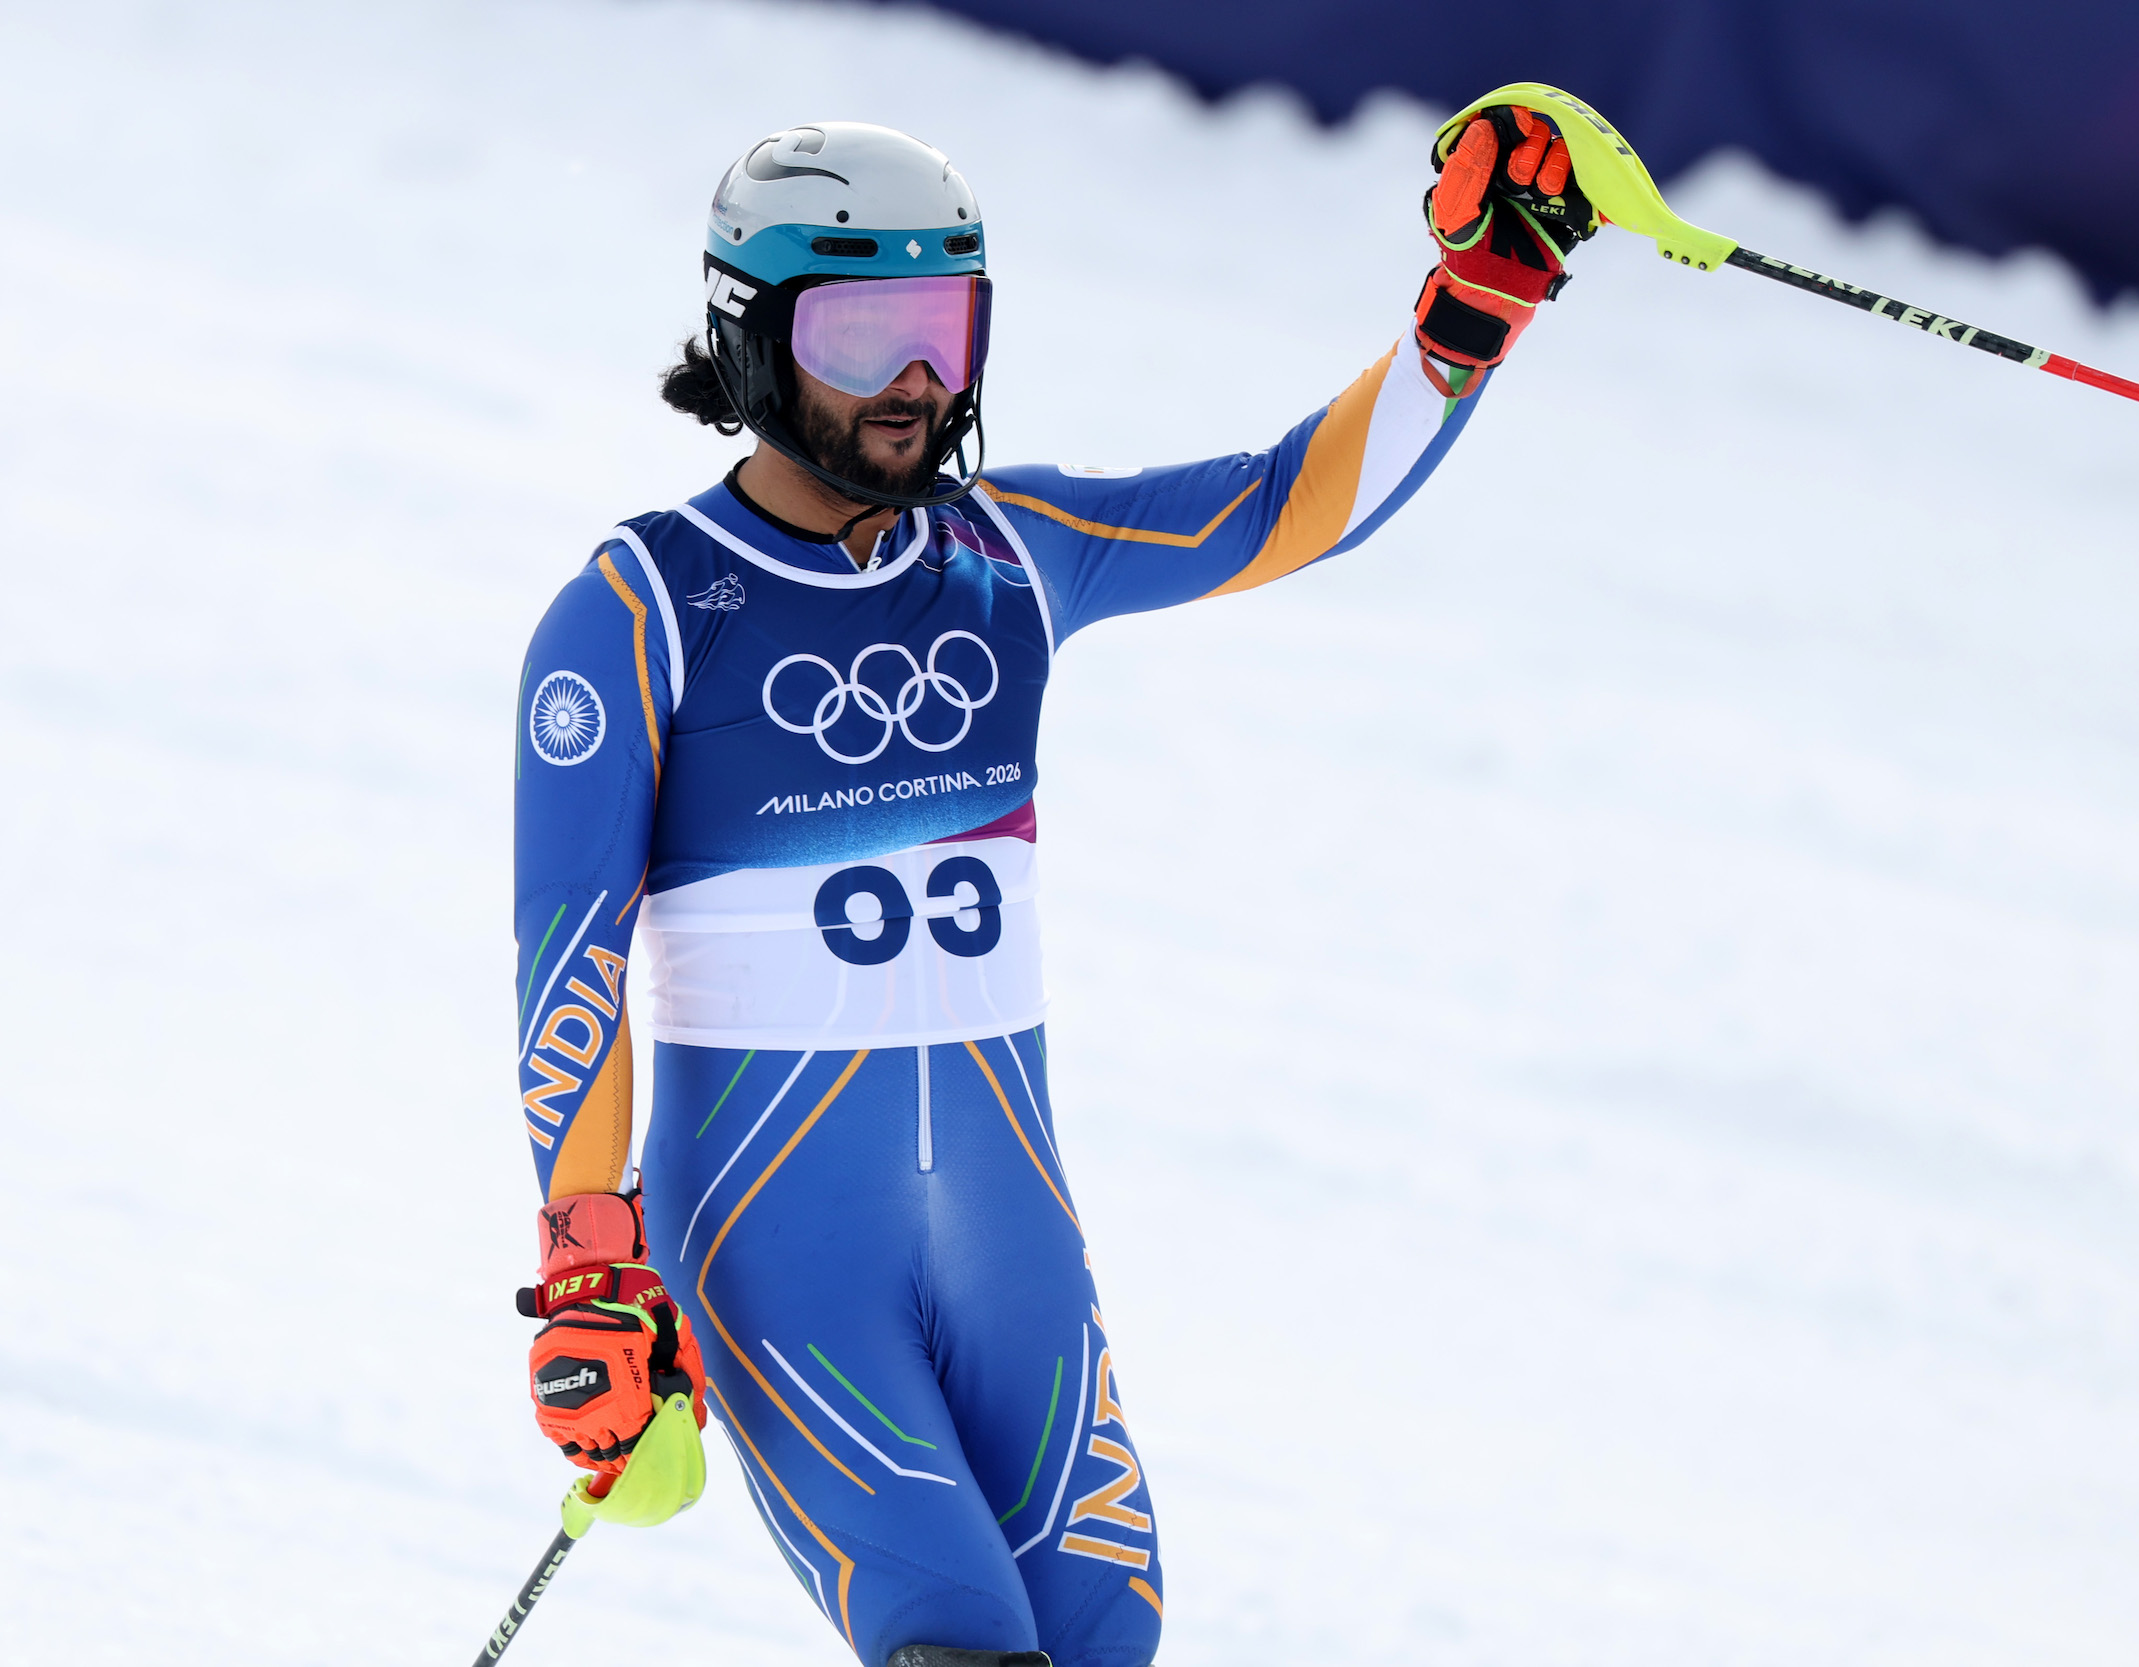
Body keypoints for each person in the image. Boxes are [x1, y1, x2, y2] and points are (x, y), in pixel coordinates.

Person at [512, 108, 1591, 1667]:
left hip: (1008, 1234)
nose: (917, 384)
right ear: (750, 335)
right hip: (776, 1241)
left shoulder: (1008, 551)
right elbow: (569, 970)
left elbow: (1291, 501)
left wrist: (1476, 302)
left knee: (1103, 1633)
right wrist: (590, 1272)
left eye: (947, 328)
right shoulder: (641, 610)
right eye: (866, 329)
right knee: (957, 1640)